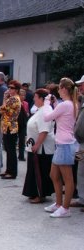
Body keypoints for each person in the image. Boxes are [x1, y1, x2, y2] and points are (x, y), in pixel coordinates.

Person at [43, 77, 79, 218]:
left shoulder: (66, 105)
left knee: (67, 179)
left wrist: (47, 103)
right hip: (62, 144)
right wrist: (55, 103)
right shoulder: (68, 104)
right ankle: (58, 204)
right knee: (54, 175)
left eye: (59, 88)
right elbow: (60, 114)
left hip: (65, 144)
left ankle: (65, 207)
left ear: (64, 89)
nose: (58, 90)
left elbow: (47, 117)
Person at [22, 88, 55, 203]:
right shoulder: (40, 110)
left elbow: (44, 131)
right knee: (34, 170)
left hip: (42, 149)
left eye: (35, 97)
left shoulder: (45, 111)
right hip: (35, 146)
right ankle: (34, 192)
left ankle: (40, 194)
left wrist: (37, 144)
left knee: (40, 171)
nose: (33, 98)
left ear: (41, 98)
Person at [0, 80, 22, 179]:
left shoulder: (14, 99)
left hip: (10, 126)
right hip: (7, 126)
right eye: (9, 87)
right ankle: (9, 170)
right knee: (8, 149)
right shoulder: (11, 98)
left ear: (16, 90)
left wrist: (4, 99)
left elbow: (2, 109)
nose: (10, 89)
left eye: (12, 88)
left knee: (11, 150)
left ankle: (12, 172)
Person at [72, 75, 84, 212]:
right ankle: (82, 198)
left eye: (82, 84)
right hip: (81, 141)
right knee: (81, 171)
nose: (80, 87)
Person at [17, 89, 29, 161]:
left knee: (22, 140)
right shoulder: (15, 103)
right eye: (21, 95)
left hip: (23, 123)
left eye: (24, 95)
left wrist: (27, 113)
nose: (23, 96)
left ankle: (21, 155)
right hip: (16, 122)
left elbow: (27, 112)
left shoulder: (26, 103)